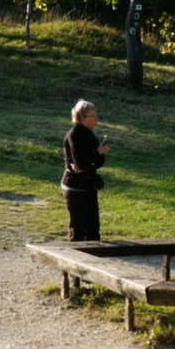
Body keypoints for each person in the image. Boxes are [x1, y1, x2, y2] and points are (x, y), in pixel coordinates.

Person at [61, 99, 111, 242]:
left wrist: (96, 157)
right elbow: (82, 163)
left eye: (96, 116)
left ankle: (94, 259)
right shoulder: (74, 135)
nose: (96, 120)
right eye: (93, 117)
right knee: (78, 230)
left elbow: (97, 163)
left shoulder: (90, 134)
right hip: (75, 187)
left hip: (89, 185)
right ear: (82, 117)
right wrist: (95, 156)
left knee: (93, 229)